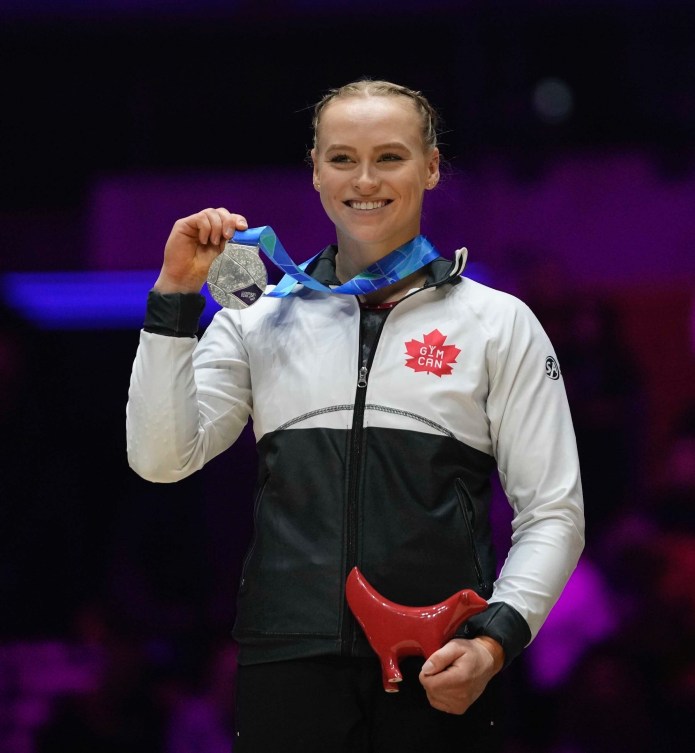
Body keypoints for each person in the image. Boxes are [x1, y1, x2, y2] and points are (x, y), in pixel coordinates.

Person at [126, 79, 585, 752]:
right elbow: (160, 458)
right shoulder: (257, 312)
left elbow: (553, 510)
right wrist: (172, 298)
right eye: (342, 158)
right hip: (288, 661)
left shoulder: (496, 323)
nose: (364, 179)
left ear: (430, 167)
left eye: (390, 157)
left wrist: (493, 641)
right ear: (314, 169)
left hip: (442, 662)